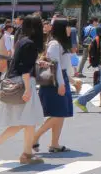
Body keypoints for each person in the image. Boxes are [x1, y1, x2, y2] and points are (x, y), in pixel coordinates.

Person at [0, 15, 46, 165]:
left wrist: (36, 63)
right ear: (36, 28)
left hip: (16, 80)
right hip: (23, 83)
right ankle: (0, 147)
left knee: (28, 121)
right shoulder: (30, 44)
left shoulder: (22, 40)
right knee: (27, 120)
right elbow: (25, 69)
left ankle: (26, 153)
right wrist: (28, 89)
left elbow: (21, 63)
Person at [32, 18, 75, 153]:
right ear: (62, 28)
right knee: (58, 114)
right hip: (55, 82)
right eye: (67, 27)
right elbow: (54, 66)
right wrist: (61, 84)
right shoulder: (55, 44)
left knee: (61, 114)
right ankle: (35, 137)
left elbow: (63, 66)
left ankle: (55, 144)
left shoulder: (60, 43)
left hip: (61, 80)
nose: (70, 29)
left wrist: (71, 81)